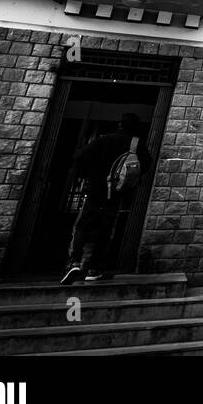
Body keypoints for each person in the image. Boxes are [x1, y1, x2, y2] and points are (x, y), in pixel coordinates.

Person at [61, 113, 152, 285]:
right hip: (117, 194)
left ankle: (74, 261)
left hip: (96, 191)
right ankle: (95, 268)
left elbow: (80, 157)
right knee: (107, 228)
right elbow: (146, 165)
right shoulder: (136, 145)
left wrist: (88, 175)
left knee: (83, 225)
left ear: (120, 125)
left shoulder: (104, 140)